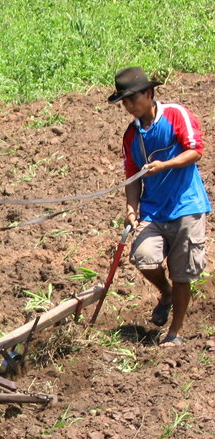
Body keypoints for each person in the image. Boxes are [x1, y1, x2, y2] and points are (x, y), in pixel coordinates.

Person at [108, 66, 211, 347]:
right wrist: (131, 207)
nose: (128, 106)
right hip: (153, 210)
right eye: (124, 102)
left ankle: (175, 332)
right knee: (142, 257)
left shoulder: (176, 114)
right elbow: (132, 175)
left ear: (149, 93)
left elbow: (196, 150)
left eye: (132, 99)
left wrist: (165, 165)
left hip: (185, 206)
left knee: (182, 273)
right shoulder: (132, 135)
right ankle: (164, 292)